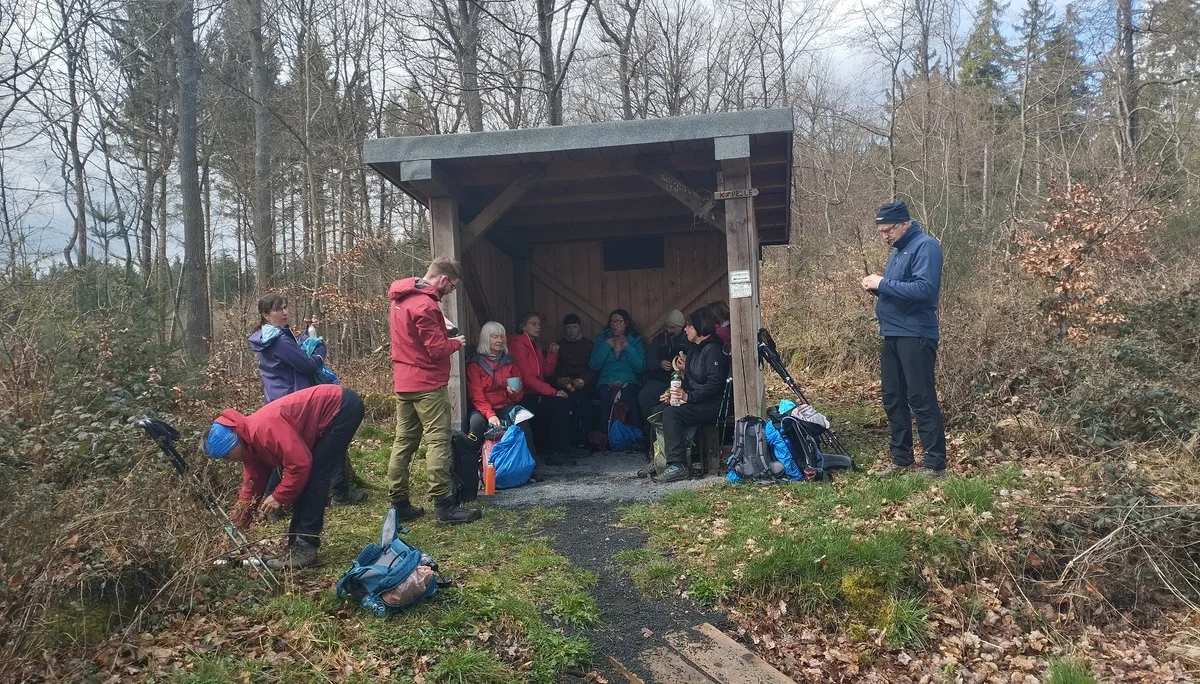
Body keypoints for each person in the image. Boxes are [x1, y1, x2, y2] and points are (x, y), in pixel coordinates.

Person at [202, 384, 364, 570]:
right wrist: (234, 528)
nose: (227, 461)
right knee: (306, 479)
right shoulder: (250, 449)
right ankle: (295, 546)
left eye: (226, 455)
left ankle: (305, 548)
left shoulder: (262, 430)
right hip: (334, 408)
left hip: (341, 407)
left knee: (314, 476)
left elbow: (300, 463)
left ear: (233, 442)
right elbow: (250, 490)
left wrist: (279, 496)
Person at [386, 257, 482, 524]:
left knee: (403, 441)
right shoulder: (426, 305)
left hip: (403, 382)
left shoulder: (400, 299)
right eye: (451, 286)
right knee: (438, 441)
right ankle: (444, 505)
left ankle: (399, 502)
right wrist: (455, 342)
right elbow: (436, 349)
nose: (450, 291)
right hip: (427, 384)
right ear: (442, 279)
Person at [248, 293, 365, 507]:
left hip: (279, 398)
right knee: (328, 436)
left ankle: (273, 503)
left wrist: (305, 337)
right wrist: (319, 349)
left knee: (285, 451)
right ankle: (335, 493)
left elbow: (293, 355)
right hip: (293, 399)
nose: (284, 312)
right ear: (265, 314)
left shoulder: (270, 337)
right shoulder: (277, 340)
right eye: (277, 309)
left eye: (285, 307)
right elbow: (307, 365)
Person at [860, 200, 947, 477]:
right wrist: (878, 288)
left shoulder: (926, 246)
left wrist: (883, 283)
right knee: (892, 397)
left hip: (917, 334)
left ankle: (935, 465)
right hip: (892, 333)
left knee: (921, 397)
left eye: (888, 230)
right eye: (881, 232)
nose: (885, 236)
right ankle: (901, 459)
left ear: (904, 224)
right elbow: (902, 290)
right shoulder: (898, 251)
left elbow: (924, 289)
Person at [653, 309, 730, 482]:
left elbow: (714, 384)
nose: (686, 330)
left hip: (713, 404)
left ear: (699, 328)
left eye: (689, 326)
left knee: (673, 414)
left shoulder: (712, 350)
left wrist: (688, 397)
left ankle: (678, 465)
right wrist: (672, 395)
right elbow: (690, 379)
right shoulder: (694, 349)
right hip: (698, 400)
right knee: (659, 409)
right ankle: (661, 458)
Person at [465, 321, 538, 475]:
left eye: (501, 337)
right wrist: (490, 415)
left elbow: (519, 395)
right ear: (486, 339)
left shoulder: (510, 362)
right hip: (482, 408)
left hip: (505, 404)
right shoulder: (475, 364)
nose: (499, 340)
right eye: (494, 337)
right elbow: (476, 395)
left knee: (522, 422)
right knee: (476, 425)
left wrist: (513, 392)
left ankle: (530, 468)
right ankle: (470, 472)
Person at [508, 311, 573, 463]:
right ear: (523, 326)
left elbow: (546, 372)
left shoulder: (535, 344)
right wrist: (553, 392)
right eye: (534, 324)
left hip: (535, 392)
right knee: (561, 404)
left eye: (539, 324)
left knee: (566, 401)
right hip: (523, 395)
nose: (538, 327)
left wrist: (551, 354)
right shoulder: (517, 344)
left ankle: (559, 447)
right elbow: (527, 378)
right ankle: (555, 451)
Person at [589, 308, 646, 433]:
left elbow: (641, 366)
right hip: (606, 381)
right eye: (612, 322)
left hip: (629, 381)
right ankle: (605, 436)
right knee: (606, 398)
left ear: (626, 323)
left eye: (619, 322)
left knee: (628, 397)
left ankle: (635, 435)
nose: (615, 325)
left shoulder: (635, 340)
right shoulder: (602, 339)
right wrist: (605, 346)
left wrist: (628, 348)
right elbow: (594, 365)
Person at [637, 309, 689, 423]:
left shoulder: (688, 340)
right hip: (660, 379)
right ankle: (650, 426)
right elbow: (649, 361)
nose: (669, 330)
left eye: (673, 328)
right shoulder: (659, 339)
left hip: (682, 380)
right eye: (667, 326)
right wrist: (659, 364)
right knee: (644, 396)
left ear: (681, 327)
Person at [553, 313, 596, 448]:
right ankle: (567, 440)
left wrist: (584, 380)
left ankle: (586, 438)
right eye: (569, 327)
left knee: (581, 400)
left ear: (580, 327)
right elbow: (552, 368)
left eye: (574, 327)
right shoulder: (559, 346)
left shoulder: (589, 345)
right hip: (565, 384)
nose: (571, 330)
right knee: (564, 402)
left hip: (584, 384)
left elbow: (595, 367)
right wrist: (558, 380)